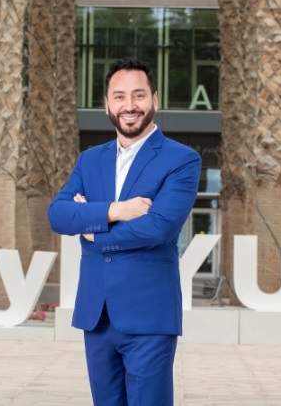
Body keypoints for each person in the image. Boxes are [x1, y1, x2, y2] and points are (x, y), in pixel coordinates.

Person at [48, 57, 202, 405]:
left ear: (154, 100)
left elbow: (159, 227)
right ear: (107, 104)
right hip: (97, 314)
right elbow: (58, 215)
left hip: (149, 314)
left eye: (138, 95)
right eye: (119, 96)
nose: (129, 105)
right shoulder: (90, 159)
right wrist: (117, 211)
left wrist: (92, 226)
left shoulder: (181, 159)